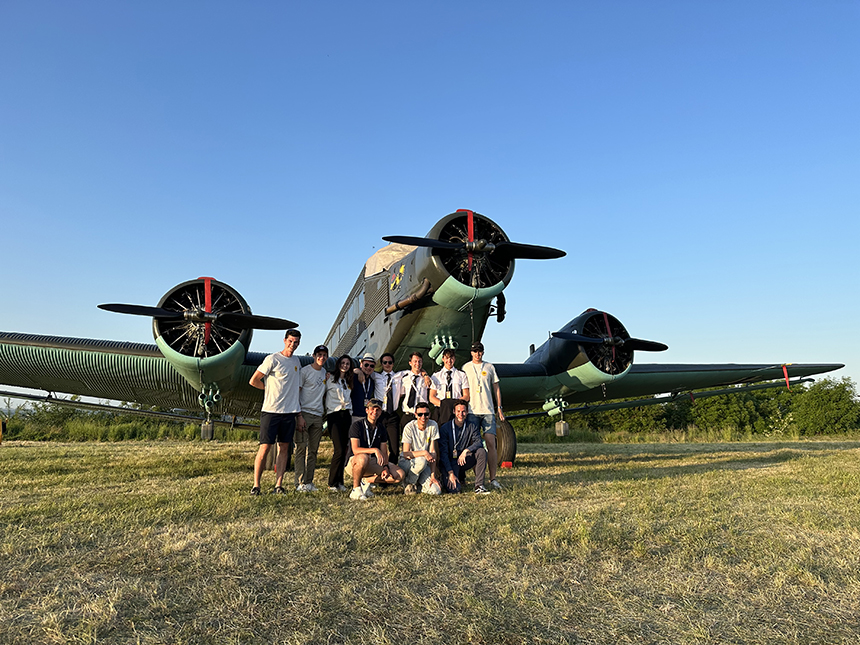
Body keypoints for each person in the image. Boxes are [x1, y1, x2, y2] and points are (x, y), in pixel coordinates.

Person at [249, 329, 302, 495]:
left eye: (296, 342)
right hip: (271, 411)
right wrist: (269, 390)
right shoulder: (272, 359)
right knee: (264, 448)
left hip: (290, 412)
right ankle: (256, 486)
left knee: (284, 448)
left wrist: (299, 414)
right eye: (290, 341)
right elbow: (254, 380)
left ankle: (278, 485)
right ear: (284, 340)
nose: (292, 345)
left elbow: (297, 388)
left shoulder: (297, 361)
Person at [461, 341, 504, 490]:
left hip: (488, 411)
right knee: (474, 446)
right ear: (471, 353)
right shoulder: (465, 368)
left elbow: (496, 388)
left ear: (483, 352)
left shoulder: (490, 367)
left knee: (491, 443)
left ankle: (493, 478)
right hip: (472, 411)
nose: (477, 354)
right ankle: (479, 479)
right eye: (475, 351)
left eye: (480, 351)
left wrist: (499, 407)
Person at [344, 399, 404, 500]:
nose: (374, 412)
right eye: (372, 409)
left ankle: (367, 481)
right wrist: (374, 450)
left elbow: (384, 452)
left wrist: (385, 467)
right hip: (355, 461)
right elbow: (355, 450)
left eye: (378, 410)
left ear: (381, 412)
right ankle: (356, 489)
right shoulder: (357, 426)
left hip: (372, 462)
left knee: (399, 475)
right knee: (363, 458)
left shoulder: (381, 428)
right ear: (367, 410)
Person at [295, 344, 328, 492]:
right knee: (301, 448)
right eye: (319, 355)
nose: (322, 358)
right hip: (305, 413)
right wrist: (299, 415)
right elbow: (297, 393)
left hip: (318, 415)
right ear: (314, 356)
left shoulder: (325, 373)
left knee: (313, 451)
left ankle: (309, 482)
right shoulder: (304, 371)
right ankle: (299, 482)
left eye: (324, 355)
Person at [439, 400, 490, 494]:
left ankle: (479, 486)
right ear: (454, 412)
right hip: (450, 462)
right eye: (458, 411)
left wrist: (467, 450)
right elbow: (443, 453)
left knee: (481, 452)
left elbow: (479, 442)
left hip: (463, 459)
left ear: (467, 412)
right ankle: (445, 478)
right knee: (454, 490)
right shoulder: (445, 428)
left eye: (463, 411)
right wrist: (450, 473)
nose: (461, 414)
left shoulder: (472, 426)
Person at [398, 402, 442, 495]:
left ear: (429, 414)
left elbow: (433, 452)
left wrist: (433, 475)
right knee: (421, 460)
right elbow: (406, 453)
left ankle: (418, 485)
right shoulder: (409, 427)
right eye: (420, 414)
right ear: (415, 415)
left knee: (436, 491)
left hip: (424, 464)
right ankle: (409, 483)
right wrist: (424, 453)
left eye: (426, 414)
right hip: (407, 463)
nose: (423, 417)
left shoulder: (433, 425)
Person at [325, 355, 354, 492]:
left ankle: (340, 482)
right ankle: (331, 482)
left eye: (348, 363)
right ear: (338, 364)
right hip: (334, 415)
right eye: (343, 363)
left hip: (346, 415)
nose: (345, 365)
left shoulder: (348, 381)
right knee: (339, 450)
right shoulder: (330, 379)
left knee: (344, 450)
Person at [372, 352, 402, 462]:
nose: (387, 364)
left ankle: (392, 468)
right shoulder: (376, 376)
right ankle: (378, 469)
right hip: (379, 415)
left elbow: (415, 371)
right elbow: (363, 371)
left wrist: (425, 375)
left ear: (393, 364)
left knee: (394, 447)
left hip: (392, 415)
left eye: (390, 362)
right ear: (382, 364)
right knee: (377, 444)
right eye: (385, 362)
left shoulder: (399, 376)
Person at [429, 348, 470, 425]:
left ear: (454, 359)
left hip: (457, 411)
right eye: (447, 358)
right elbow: (432, 397)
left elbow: (466, 396)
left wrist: (455, 406)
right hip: (441, 410)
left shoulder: (461, 375)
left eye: (451, 358)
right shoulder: (436, 376)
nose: (449, 360)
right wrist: (445, 406)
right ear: (443, 359)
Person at [397, 351, 433, 435]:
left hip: (421, 416)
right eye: (415, 361)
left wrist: (425, 375)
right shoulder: (404, 378)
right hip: (408, 414)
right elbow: (401, 394)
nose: (417, 364)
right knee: (406, 443)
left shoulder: (426, 379)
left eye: (420, 361)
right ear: (410, 363)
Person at [350, 352, 377, 424]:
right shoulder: (354, 377)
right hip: (353, 415)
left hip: (366, 416)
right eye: (366, 365)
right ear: (361, 365)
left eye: (371, 366)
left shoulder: (372, 381)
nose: (368, 367)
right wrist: (356, 371)